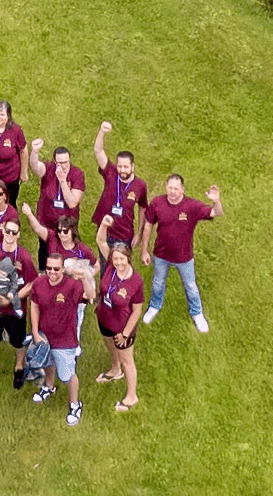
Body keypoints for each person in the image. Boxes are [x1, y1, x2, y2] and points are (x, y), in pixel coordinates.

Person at [141, 175, 223, 332]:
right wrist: (144, 250)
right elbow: (148, 225)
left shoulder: (192, 206)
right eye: (170, 188)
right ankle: (154, 306)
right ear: (166, 187)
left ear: (182, 190)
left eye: (176, 188)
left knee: (191, 286)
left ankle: (197, 313)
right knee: (158, 283)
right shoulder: (157, 203)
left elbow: (216, 213)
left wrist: (216, 201)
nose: (172, 191)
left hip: (184, 258)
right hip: (161, 255)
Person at [28, 254, 96, 425]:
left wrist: (85, 278)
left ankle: (75, 404)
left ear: (63, 270)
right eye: (48, 268)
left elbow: (90, 295)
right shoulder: (39, 283)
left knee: (67, 376)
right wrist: (35, 332)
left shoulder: (72, 285)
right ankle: (49, 387)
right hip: (45, 335)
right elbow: (34, 306)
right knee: (47, 363)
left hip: (65, 340)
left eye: (56, 269)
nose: (52, 272)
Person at [94, 216, 145, 412]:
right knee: (110, 347)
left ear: (128, 258)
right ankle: (115, 370)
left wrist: (125, 333)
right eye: (115, 259)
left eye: (121, 259)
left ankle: (132, 396)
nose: (118, 262)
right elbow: (100, 240)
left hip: (122, 328)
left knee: (127, 361)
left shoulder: (136, 281)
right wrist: (104, 225)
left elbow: (137, 310)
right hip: (104, 319)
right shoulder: (110, 266)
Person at [0, 220, 37, 386]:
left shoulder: (24, 257)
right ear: (3, 231)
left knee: (18, 341)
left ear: (18, 235)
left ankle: (19, 366)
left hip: (16, 309)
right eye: (8, 231)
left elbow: (31, 283)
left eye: (14, 232)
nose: (10, 235)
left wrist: (10, 299)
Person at [90, 121, 148, 259]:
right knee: (105, 265)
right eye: (120, 166)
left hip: (124, 235)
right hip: (105, 231)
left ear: (132, 167)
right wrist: (102, 131)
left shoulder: (140, 185)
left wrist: (139, 233)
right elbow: (98, 151)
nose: (122, 170)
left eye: (126, 167)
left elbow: (143, 207)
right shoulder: (111, 173)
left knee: (121, 266)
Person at [29, 139, 86, 267]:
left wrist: (63, 181)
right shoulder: (49, 169)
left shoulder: (77, 174)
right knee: (45, 251)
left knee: (67, 253)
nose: (63, 166)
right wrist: (34, 151)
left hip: (67, 225)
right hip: (47, 223)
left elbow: (72, 202)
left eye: (66, 162)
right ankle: (44, 273)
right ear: (55, 162)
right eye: (60, 163)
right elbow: (35, 166)